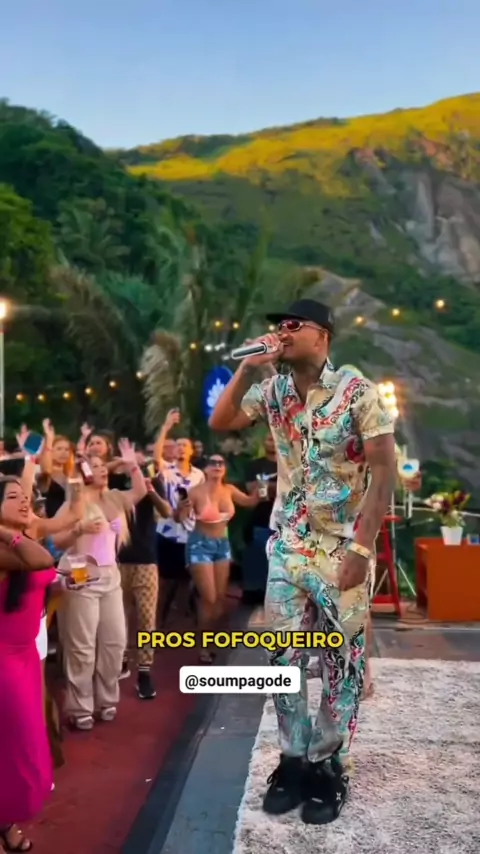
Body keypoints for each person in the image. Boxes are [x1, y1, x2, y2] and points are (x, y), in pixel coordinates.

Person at [209, 298, 396, 825]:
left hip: (341, 547)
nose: (283, 332)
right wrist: (248, 366)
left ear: (323, 335)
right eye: (278, 325)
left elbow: (385, 471)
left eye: (293, 324)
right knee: (282, 657)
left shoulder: (356, 390)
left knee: (341, 664)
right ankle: (292, 759)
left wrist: (362, 547)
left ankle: (328, 765)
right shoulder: (272, 390)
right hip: (288, 545)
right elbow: (221, 420)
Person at [52, 441, 147, 730]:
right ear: (84, 472)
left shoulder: (115, 498)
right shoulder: (76, 501)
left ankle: (107, 699)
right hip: (81, 573)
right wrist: (79, 528)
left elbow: (140, 491)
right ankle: (80, 706)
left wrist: (132, 464)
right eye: (94, 467)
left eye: (103, 466)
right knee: (82, 646)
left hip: (110, 575)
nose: (102, 470)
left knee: (115, 642)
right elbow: (57, 540)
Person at [0, 477, 59, 852]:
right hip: (3, 658)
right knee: (14, 746)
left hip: (25, 654)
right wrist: (7, 533)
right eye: (12, 497)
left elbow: (43, 573)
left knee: (17, 746)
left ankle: (4, 821)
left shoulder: (21, 541)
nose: (24, 502)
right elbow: (41, 561)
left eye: (26, 497)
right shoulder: (8, 547)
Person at [187, 454, 260, 661]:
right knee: (209, 598)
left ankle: (212, 640)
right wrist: (181, 510)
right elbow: (178, 516)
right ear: (205, 469)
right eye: (213, 463)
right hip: (199, 544)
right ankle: (202, 647)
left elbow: (250, 502)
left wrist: (259, 489)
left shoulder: (229, 490)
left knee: (219, 598)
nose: (217, 466)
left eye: (221, 463)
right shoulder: (195, 492)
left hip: (222, 545)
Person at [118, 453, 172, 699]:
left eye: (139, 461)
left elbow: (167, 511)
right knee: (118, 619)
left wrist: (151, 491)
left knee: (147, 620)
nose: (136, 464)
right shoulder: (115, 480)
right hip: (117, 560)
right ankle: (121, 660)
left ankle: (144, 672)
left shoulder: (153, 480)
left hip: (146, 560)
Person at [242, 433, 277, 603]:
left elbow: (294, 490)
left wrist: (267, 486)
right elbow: (252, 490)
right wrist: (277, 488)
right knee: (258, 561)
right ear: (264, 442)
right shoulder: (254, 466)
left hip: (286, 522)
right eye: (269, 439)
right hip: (261, 520)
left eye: (275, 438)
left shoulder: (291, 465)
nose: (273, 442)